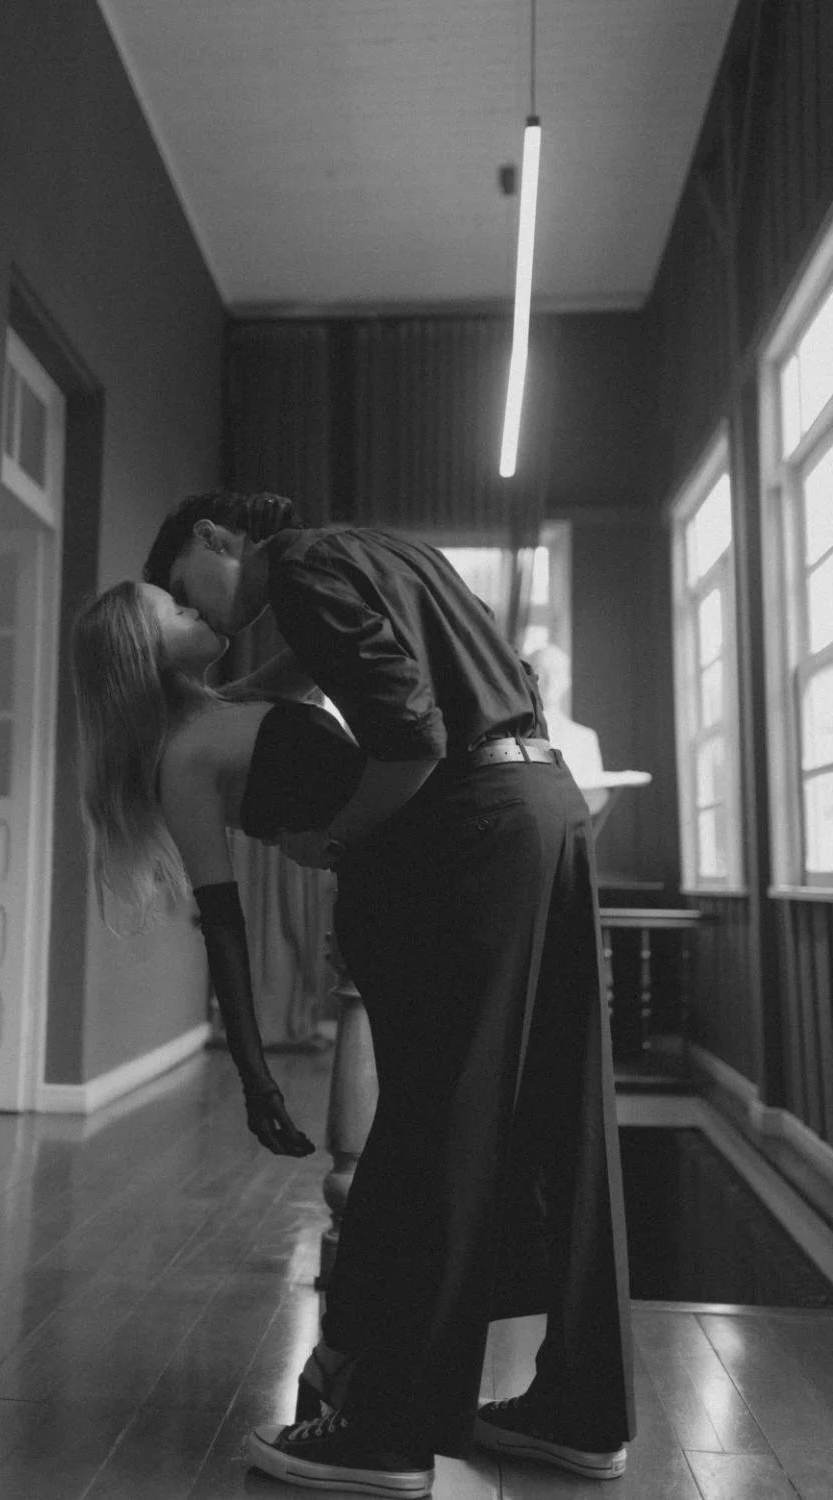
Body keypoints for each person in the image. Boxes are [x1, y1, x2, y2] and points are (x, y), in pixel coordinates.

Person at [142, 492, 636, 1498]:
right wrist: (234, 689)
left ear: (216, 539)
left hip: (477, 822)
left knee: (436, 1123)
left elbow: (409, 733)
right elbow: (346, 671)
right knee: (564, 1112)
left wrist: (341, 837)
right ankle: (580, 1409)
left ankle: (390, 1432)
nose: (206, 618)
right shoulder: (377, 551)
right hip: (549, 807)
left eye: (187, 589)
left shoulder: (300, 575)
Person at [71, 577, 364, 1159]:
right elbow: (224, 928)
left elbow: (329, 633)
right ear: (145, 655)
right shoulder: (183, 763)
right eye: (176, 611)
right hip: (391, 879)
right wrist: (258, 1086)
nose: (195, 611)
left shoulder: (234, 701)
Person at [527, 642, 609, 817]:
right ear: (528, 680)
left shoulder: (584, 737)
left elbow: (596, 798)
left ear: (567, 681)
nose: (550, 680)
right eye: (541, 672)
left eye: (557, 672)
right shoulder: (515, 735)